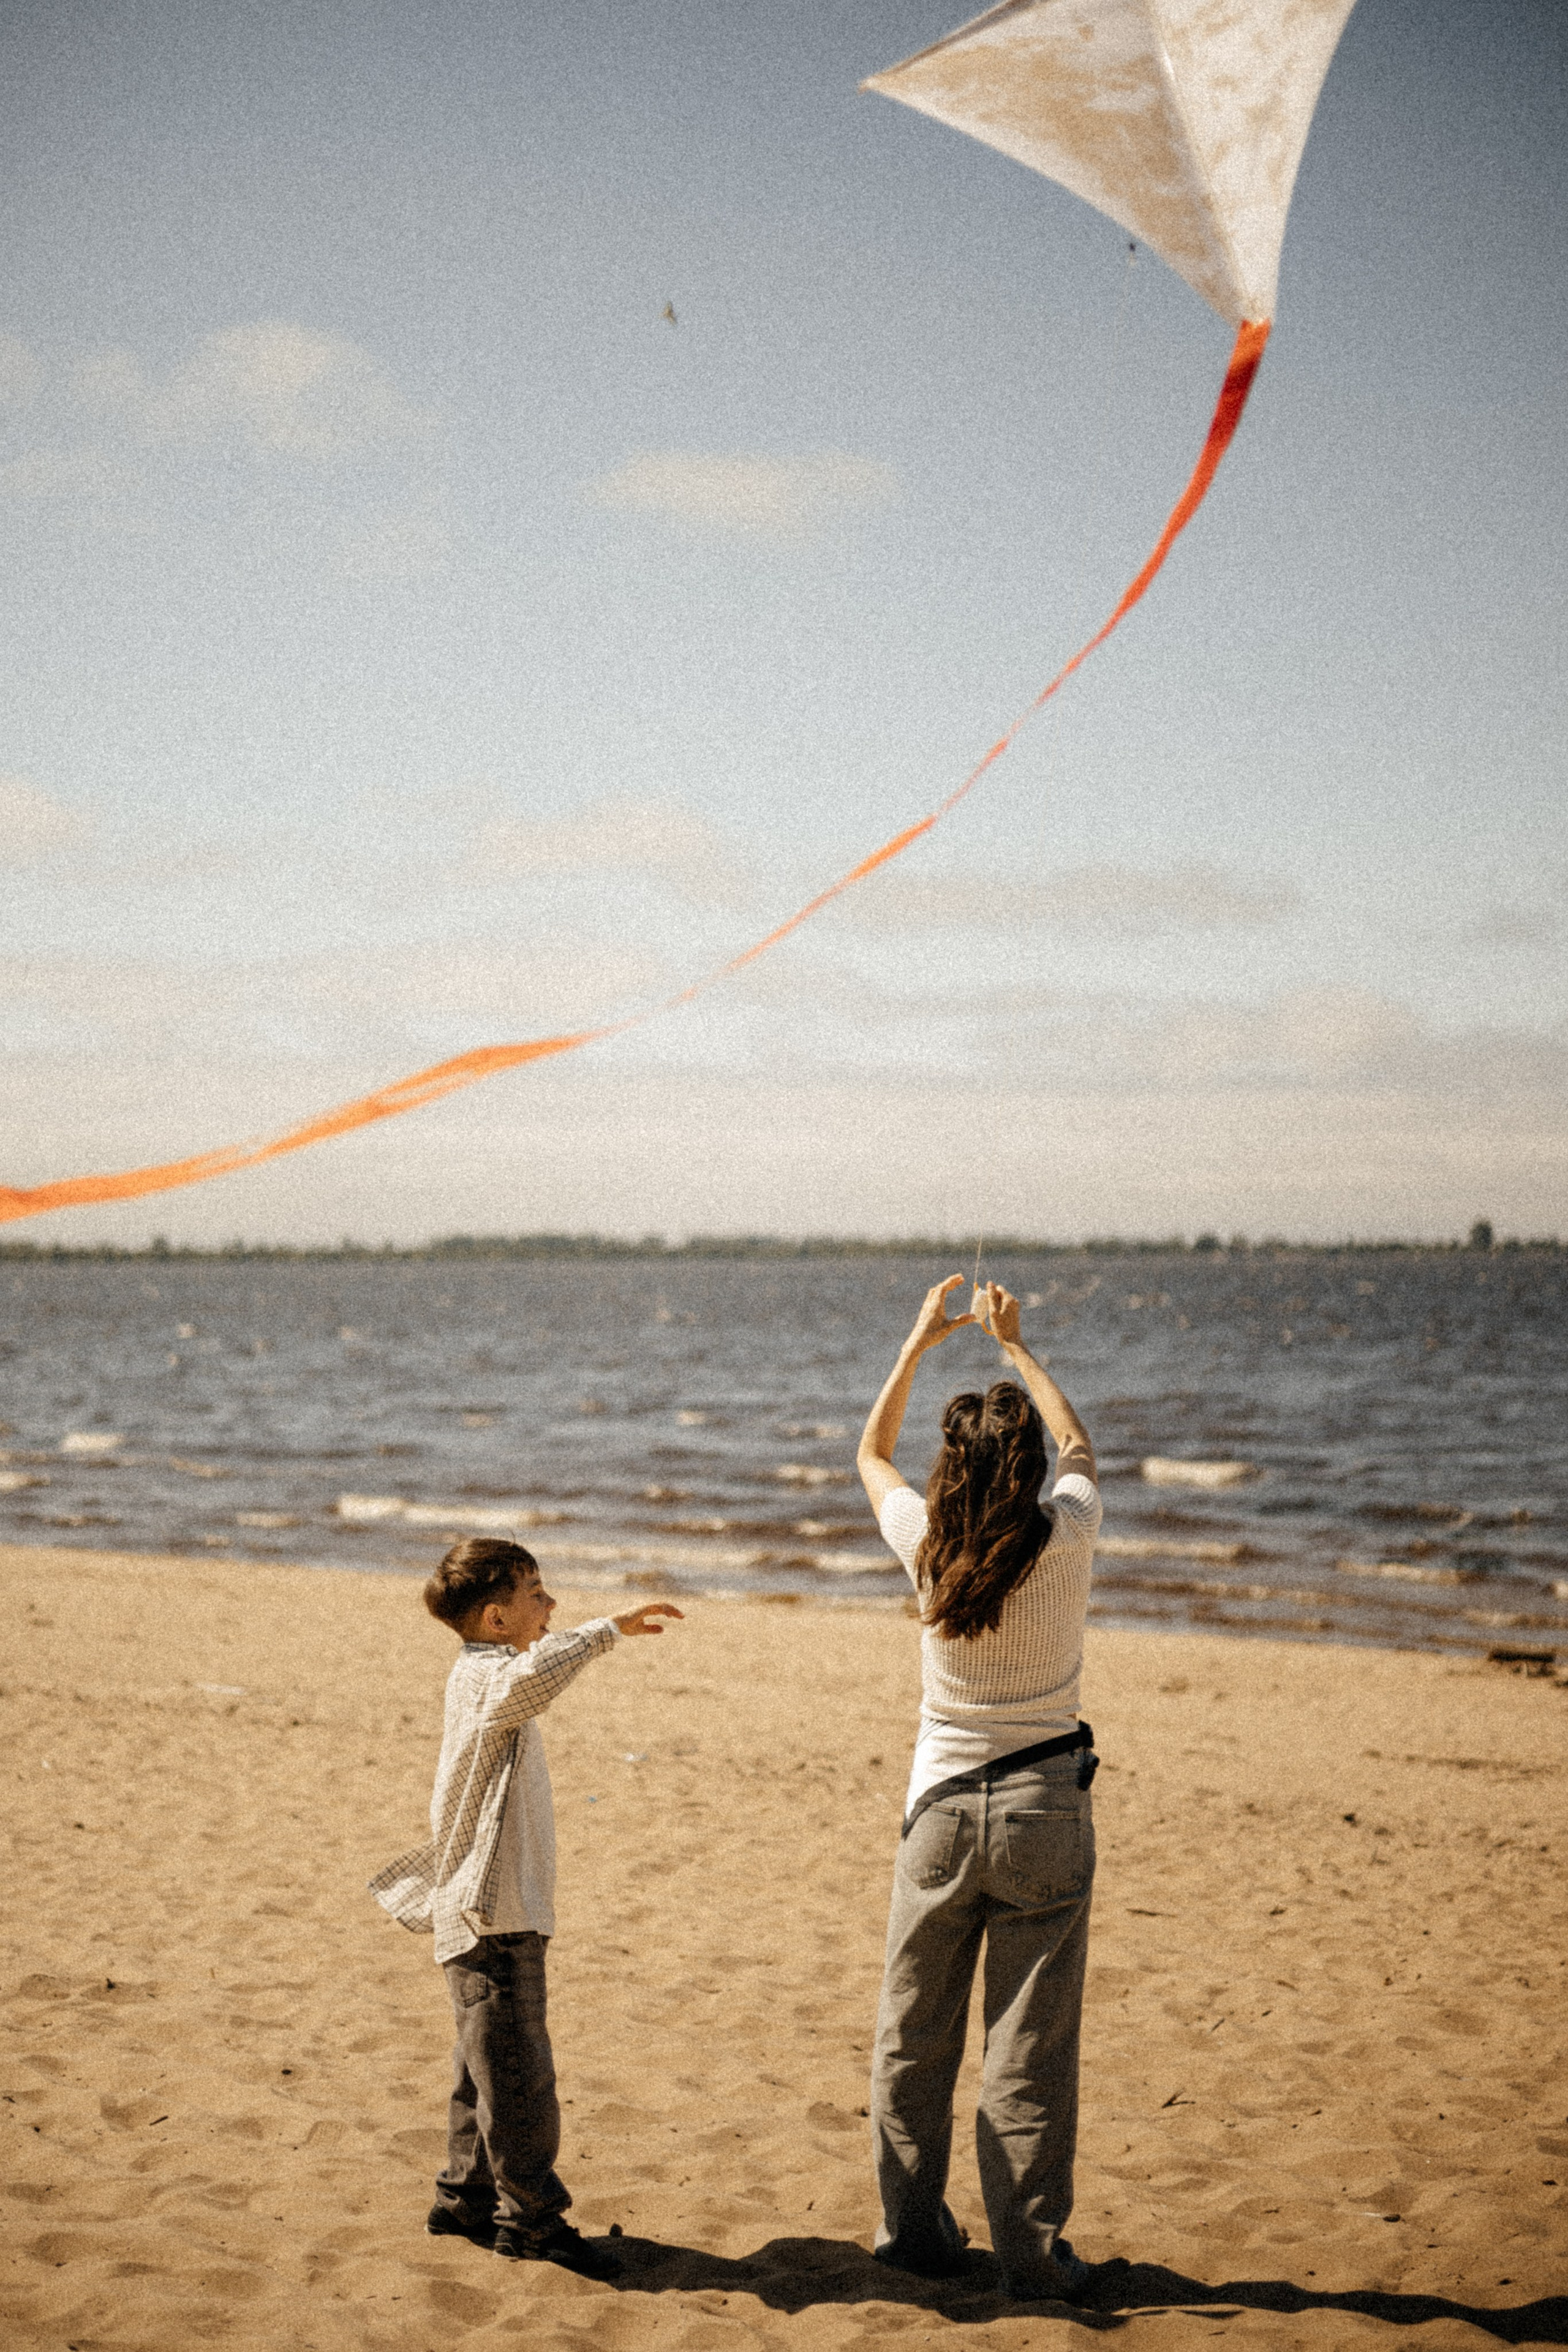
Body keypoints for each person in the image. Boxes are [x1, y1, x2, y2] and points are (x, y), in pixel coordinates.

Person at [856, 1275, 1103, 2303]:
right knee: (1029, 2047)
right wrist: (1018, 1348)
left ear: (950, 1471)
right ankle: (1030, 2256)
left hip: (941, 1817)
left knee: (914, 2037)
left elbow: (870, 1453)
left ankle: (913, 2235)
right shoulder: (1069, 1534)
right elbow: (1080, 1446)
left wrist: (919, 1343)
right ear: (1030, 1471)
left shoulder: (928, 1548)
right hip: (1045, 1808)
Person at [369, 1537, 682, 2277]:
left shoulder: (486, 1675)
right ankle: (532, 2221)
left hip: (493, 1911)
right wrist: (608, 1630)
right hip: (494, 1916)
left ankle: (464, 2198)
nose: (550, 1603)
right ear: (496, 1618)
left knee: (483, 2068)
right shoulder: (489, 1678)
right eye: (535, 1592)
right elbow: (537, 1677)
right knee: (519, 2081)